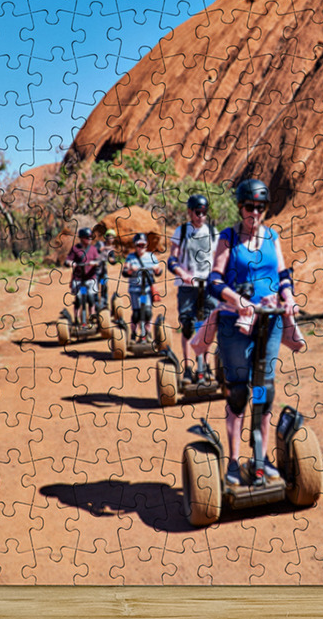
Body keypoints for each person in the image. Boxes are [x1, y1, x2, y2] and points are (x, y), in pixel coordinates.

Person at [205, 178, 300, 487]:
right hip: (235, 324)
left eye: (260, 207)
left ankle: (261, 458)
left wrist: (289, 299)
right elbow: (215, 281)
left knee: (265, 391)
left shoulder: (273, 237)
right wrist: (239, 300)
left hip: (269, 323)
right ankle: (233, 462)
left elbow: (283, 275)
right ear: (240, 207)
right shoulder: (228, 238)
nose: (254, 212)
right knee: (239, 392)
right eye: (249, 206)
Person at [167, 194, 218, 383]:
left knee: (208, 326)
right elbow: (172, 259)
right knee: (188, 326)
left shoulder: (213, 232)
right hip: (187, 286)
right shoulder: (181, 232)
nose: (201, 216)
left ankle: (205, 366)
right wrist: (182, 273)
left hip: (208, 286)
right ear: (190, 212)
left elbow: (217, 259)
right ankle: (188, 369)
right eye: (198, 212)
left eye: (204, 212)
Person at [122, 232, 163, 342]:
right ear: (135, 245)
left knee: (147, 312)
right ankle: (134, 333)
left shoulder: (151, 256)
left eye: (143, 245)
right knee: (136, 313)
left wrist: (157, 269)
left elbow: (159, 272)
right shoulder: (131, 257)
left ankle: (147, 333)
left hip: (147, 290)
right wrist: (131, 269)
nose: (141, 248)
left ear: (146, 245)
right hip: (135, 289)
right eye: (138, 245)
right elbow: (125, 272)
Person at [64, 227, 101, 324]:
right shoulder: (75, 249)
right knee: (79, 298)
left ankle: (92, 317)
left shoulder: (93, 249)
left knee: (91, 297)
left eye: (90, 237)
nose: (89, 239)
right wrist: (71, 263)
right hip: (79, 279)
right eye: (87, 237)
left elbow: (98, 260)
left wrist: (95, 263)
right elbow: (67, 260)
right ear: (81, 238)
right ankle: (76, 319)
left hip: (90, 278)